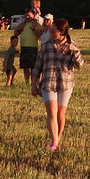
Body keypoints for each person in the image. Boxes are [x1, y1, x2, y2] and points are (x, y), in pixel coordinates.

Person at [31, 17, 84, 151]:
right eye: (51, 30)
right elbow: (37, 66)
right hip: (48, 83)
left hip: (65, 84)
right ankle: (54, 142)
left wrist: (75, 52)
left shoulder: (72, 45)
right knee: (52, 113)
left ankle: (57, 139)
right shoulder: (46, 45)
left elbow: (80, 65)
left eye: (54, 31)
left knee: (61, 114)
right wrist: (33, 83)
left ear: (62, 32)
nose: (51, 32)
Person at [13, 7, 44, 84]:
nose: (27, 17)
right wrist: (23, 23)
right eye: (26, 15)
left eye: (29, 16)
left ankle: (33, 82)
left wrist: (34, 28)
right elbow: (16, 33)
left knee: (33, 67)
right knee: (25, 67)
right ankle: (26, 81)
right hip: (23, 48)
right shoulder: (24, 24)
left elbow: (40, 34)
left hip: (33, 48)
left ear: (33, 15)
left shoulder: (36, 24)